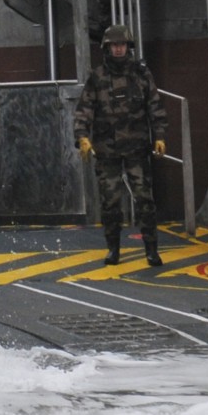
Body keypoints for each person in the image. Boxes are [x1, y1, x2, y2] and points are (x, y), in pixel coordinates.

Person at [74, 24, 168, 267]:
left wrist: (160, 135)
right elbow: (84, 111)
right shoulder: (97, 77)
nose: (118, 49)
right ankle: (113, 249)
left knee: (145, 201)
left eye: (122, 44)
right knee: (111, 203)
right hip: (107, 152)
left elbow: (155, 107)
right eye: (114, 45)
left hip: (137, 149)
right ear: (107, 47)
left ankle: (151, 250)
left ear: (128, 47)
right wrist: (82, 137)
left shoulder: (141, 74)